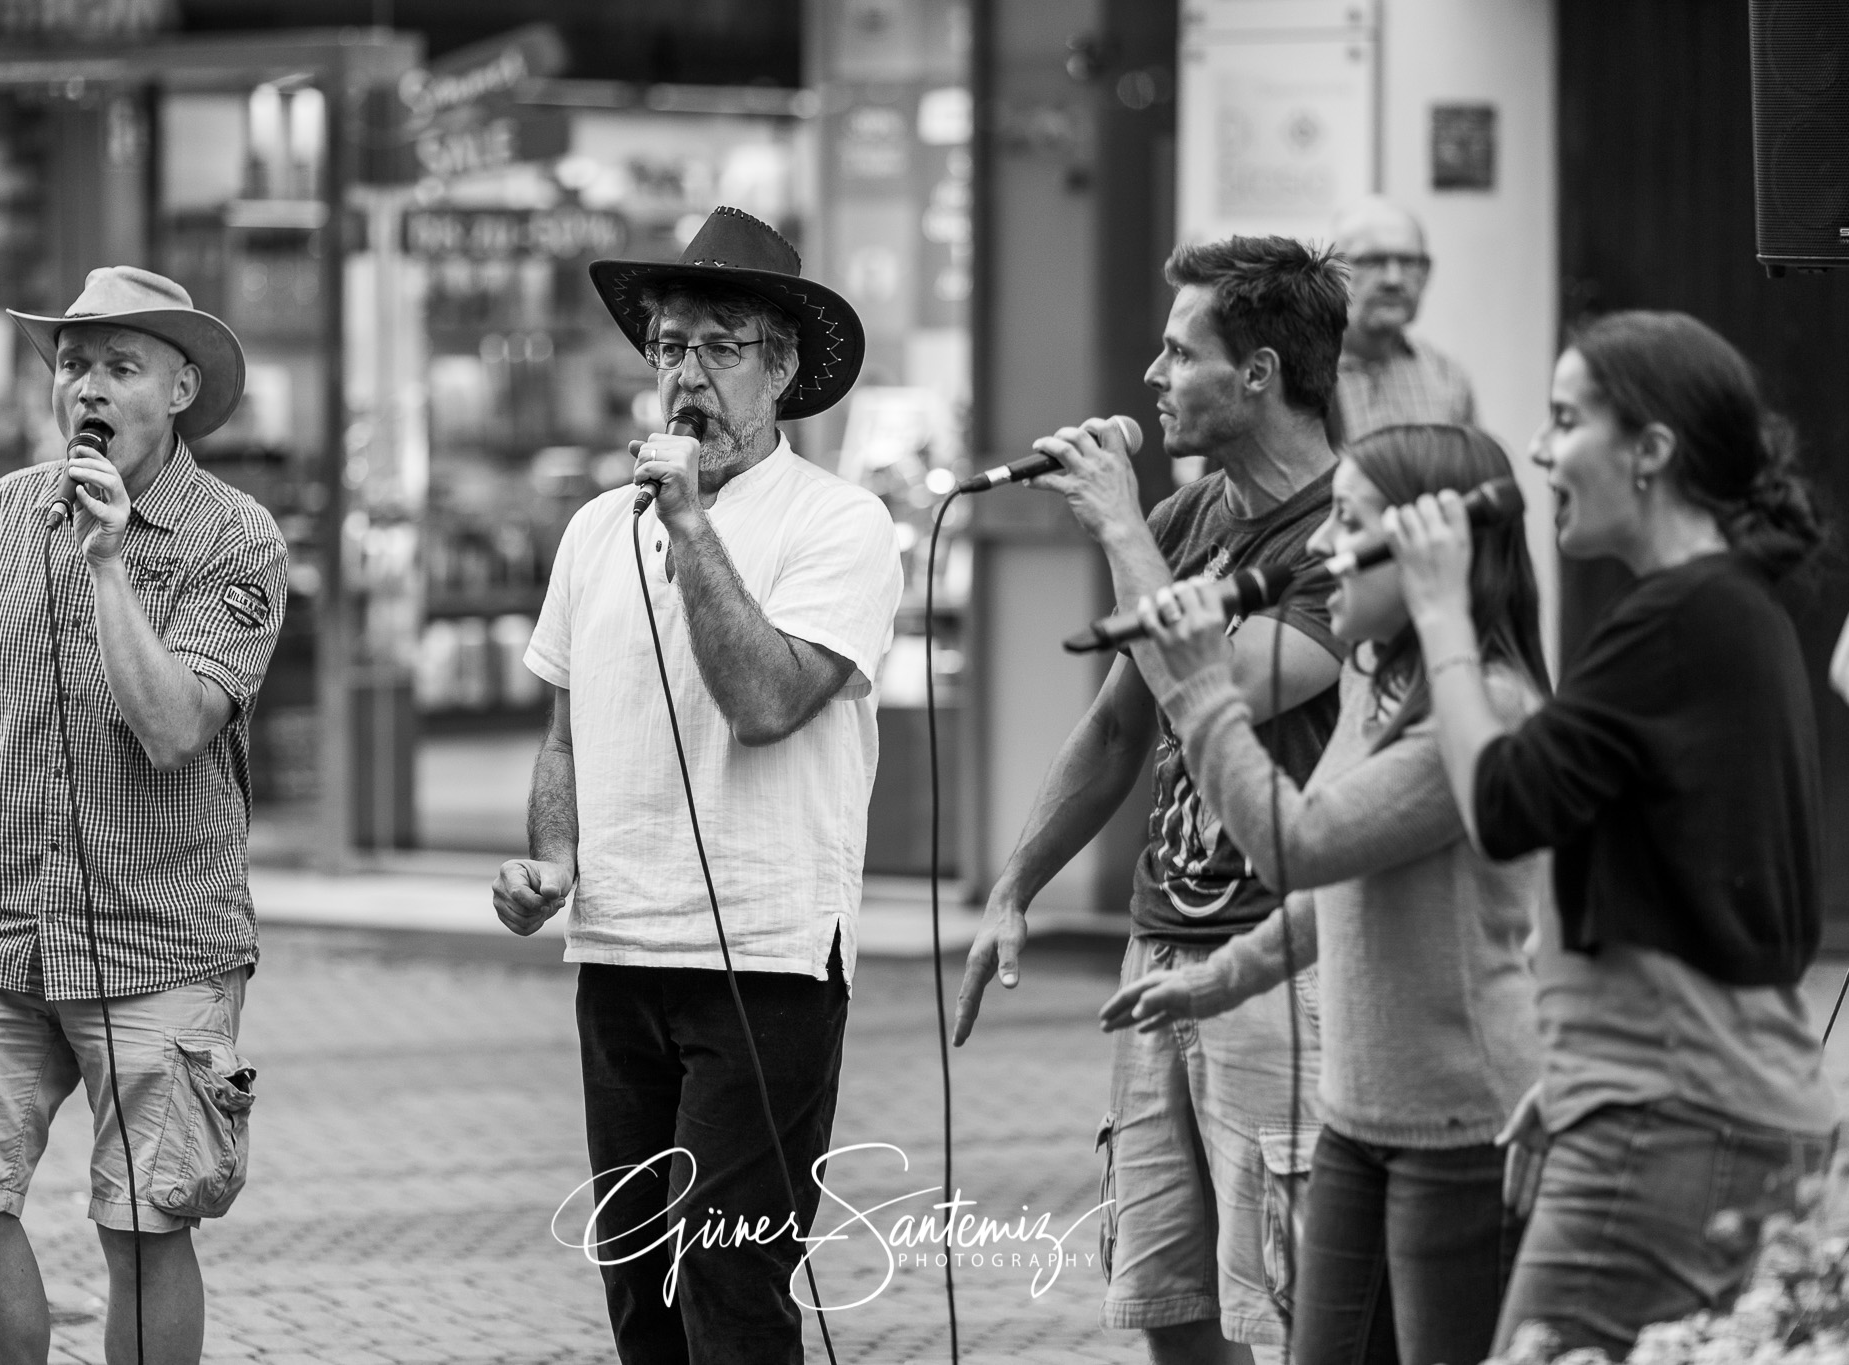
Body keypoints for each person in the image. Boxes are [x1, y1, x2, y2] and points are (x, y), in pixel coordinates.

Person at [0, 266, 286, 1365]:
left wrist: (109, 564)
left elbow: (175, 727)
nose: (89, 386)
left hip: (159, 937)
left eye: (121, 365)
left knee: (144, 1225)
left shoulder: (238, 538)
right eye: (74, 363)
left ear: (179, 389)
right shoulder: (3, 513)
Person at [493, 206, 900, 1364]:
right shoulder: (593, 531)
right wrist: (551, 861)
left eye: (720, 347)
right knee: (638, 1287)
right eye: (669, 346)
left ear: (780, 370)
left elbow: (766, 702)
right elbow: (566, 735)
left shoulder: (840, 524)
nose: (686, 375)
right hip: (618, 950)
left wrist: (690, 525)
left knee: (729, 1279)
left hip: (765, 959)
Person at [1387, 311, 1836, 1358]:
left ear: (1649, 450)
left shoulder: (1680, 618)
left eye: (1563, 419)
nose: (1537, 449)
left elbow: (1501, 807)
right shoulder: (1722, 612)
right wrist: (1583, 1076)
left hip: (1674, 1117)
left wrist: (1442, 616)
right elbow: (1696, 897)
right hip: (1695, 1103)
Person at [954, 235, 1350, 1365]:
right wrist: (1012, 888)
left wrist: (1124, 529)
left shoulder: (1342, 534)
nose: (1151, 375)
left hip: (1280, 962)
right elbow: (1120, 727)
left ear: (1259, 373)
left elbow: (1220, 685)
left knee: (1282, 1311)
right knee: (1169, 1310)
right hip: (1159, 949)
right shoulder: (1192, 518)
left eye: (1179, 353)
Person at [1102, 424, 1551, 1365]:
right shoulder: (1378, 677)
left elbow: (1299, 846)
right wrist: (1221, 978)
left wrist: (1201, 690)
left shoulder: (1488, 709)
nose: (1318, 544)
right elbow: (1342, 882)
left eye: (1348, 520)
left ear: (1429, 547)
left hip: (1459, 1127)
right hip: (1356, 1116)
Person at [1330, 199, 1475, 444]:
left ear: (1426, 274)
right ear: (1334, 271)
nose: (1393, 279)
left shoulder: (1448, 378)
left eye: (1408, 262)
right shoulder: (1296, 373)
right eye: (1373, 261)